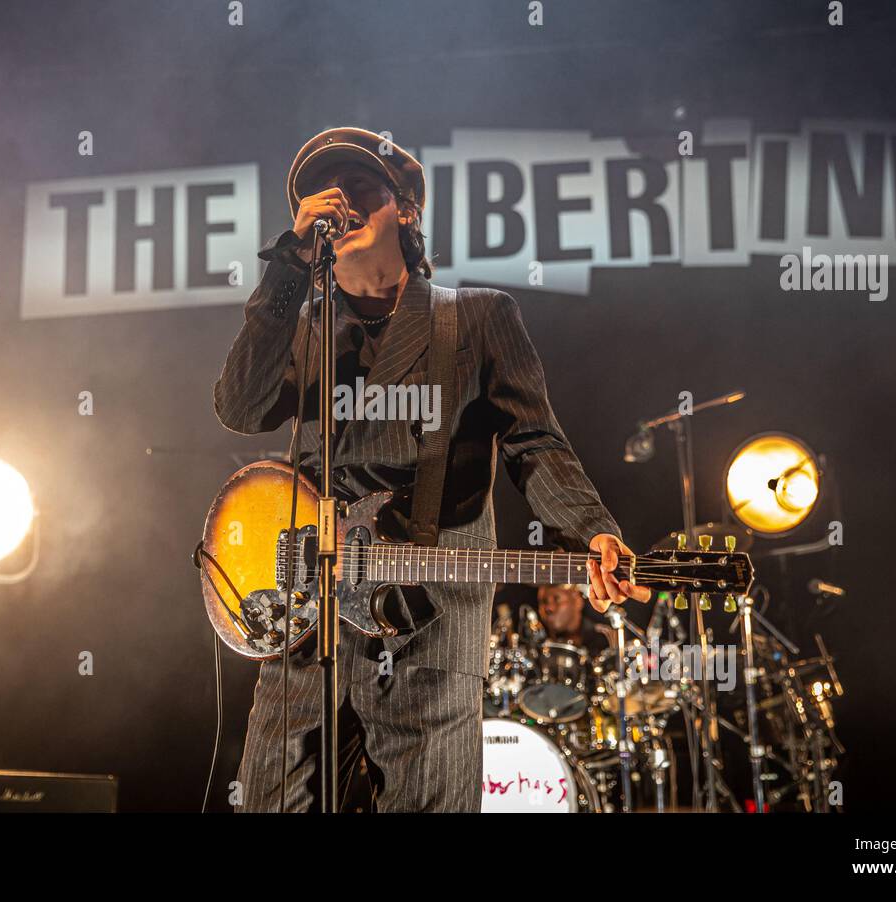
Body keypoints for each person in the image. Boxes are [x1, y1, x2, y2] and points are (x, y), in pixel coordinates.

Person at [213, 127, 649, 812]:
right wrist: (288, 270)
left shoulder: (477, 318)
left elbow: (535, 442)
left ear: (406, 209)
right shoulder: (306, 328)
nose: (338, 201)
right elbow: (240, 407)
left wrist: (589, 529)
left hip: (431, 622)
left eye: (360, 187)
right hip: (311, 619)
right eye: (321, 192)